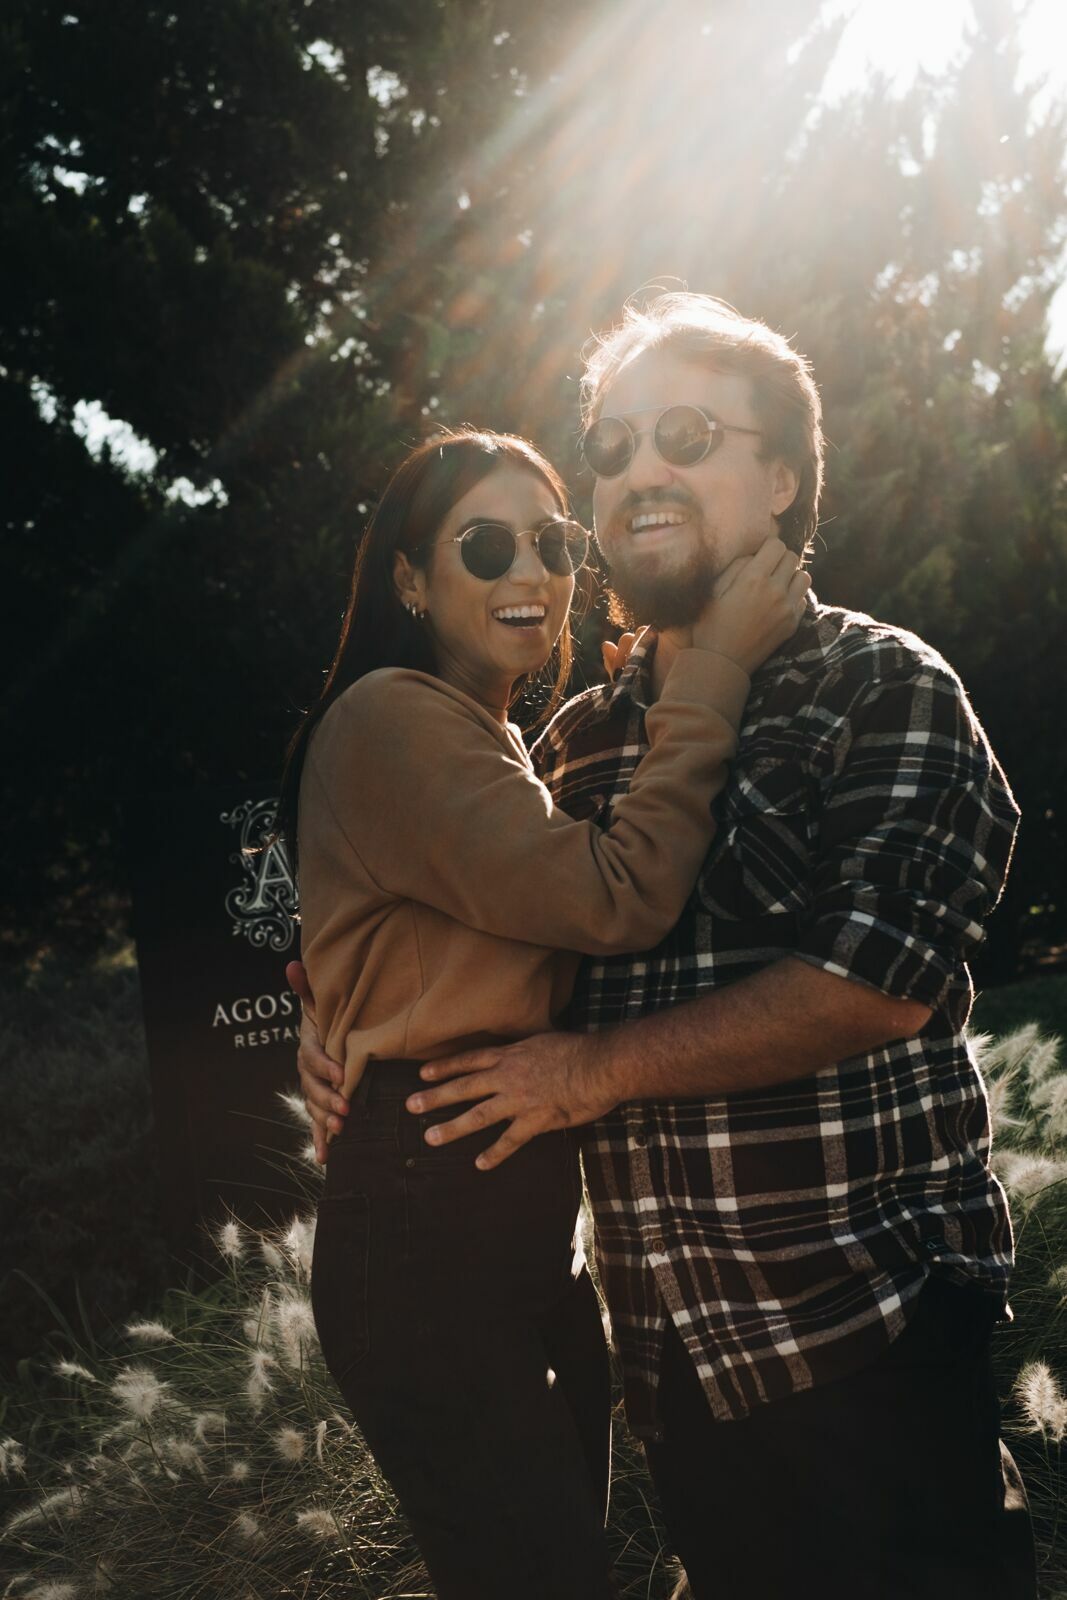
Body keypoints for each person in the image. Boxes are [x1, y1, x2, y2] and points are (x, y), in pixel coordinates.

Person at [294, 295, 1037, 1600]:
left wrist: (585, 1072)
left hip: (856, 1333)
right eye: (614, 445)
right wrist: (336, 1010)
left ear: (781, 477)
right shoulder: (577, 738)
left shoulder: (883, 685)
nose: (639, 470)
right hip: (674, 1363)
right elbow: (471, 914)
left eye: (685, 435)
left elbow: (869, 988)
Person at [277, 422, 807, 1600]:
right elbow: (615, 897)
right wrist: (714, 670)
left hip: (506, 1220)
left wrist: (326, 997)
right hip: (429, 1222)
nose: (531, 571)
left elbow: (410, 932)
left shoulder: (490, 737)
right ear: (409, 579)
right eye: (483, 545)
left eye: (554, 541)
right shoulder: (392, 715)